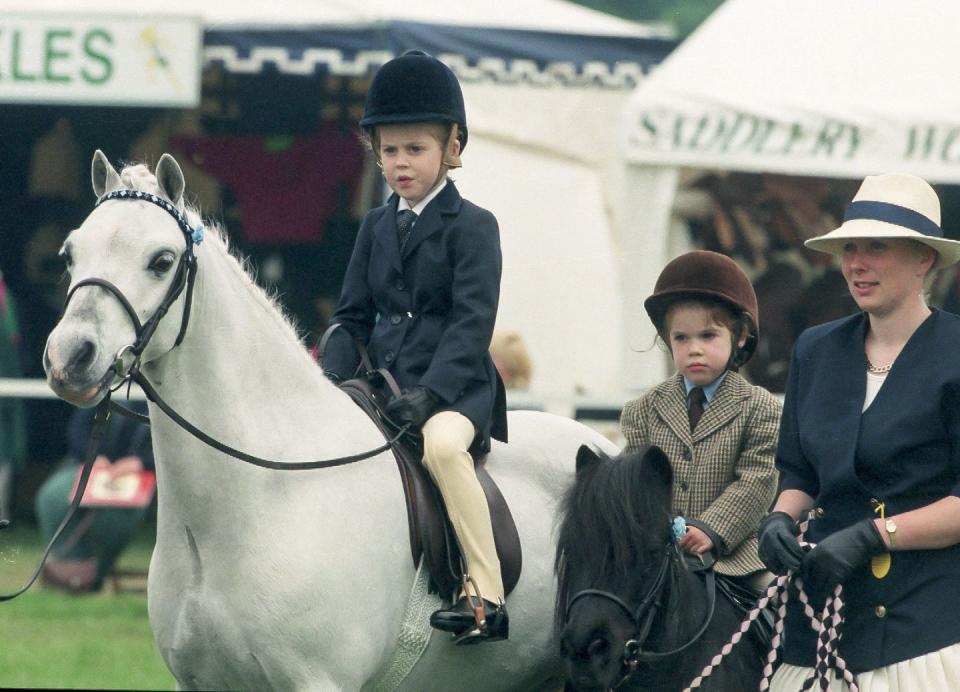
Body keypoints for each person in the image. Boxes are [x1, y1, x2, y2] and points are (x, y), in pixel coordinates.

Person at [321, 50, 509, 643]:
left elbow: (472, 324)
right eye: (390, 150)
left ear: (452, 147)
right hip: (382, 383)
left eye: (416, 149)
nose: (401, 164)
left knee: (443, 449)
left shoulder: (474, 225)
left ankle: (485, 592)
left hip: (453, 389)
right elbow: (351, 316)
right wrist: (327, 381)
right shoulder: (376, 225)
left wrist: (431, 396)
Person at [758, 173, 960, 690]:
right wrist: (780, 519)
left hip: (926, 628)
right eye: (849, 247)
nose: (857, 263)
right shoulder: (815, 349)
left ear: (924, 259)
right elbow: (799, 470)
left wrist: (875, 535)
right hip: (819, 619)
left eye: (877, 247)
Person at [620, 250, 781, 592]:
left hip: (736, 558)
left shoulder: (759, 407)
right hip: (657, 554)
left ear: (739, 337)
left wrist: (711, 529)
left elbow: (757, 480)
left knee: (779, 602)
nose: (694, 348)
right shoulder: (643, 410)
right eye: (681, 338)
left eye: (708, 336)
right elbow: (634, 482)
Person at [35, 401, 154, 594]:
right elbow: (78, 429)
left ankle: (95, 574)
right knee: (53, 497)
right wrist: (95, 457)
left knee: (116, 514)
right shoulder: (103, 386)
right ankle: (68, 570)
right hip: (91, 465)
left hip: (143, 473)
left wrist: (142, 462)